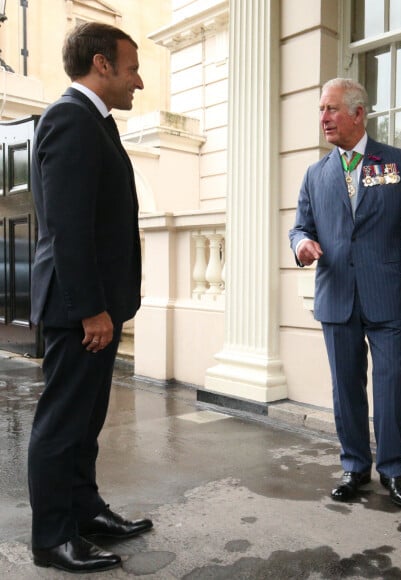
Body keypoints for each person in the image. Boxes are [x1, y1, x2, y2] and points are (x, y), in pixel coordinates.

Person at [27, 22, 152, 573]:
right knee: (61, 424)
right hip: (79, 310)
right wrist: (91, 310)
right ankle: (52, 538)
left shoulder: (95, 123)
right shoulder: (69, 119)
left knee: (85, 421)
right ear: (101, 65)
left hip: (95, 306)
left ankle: (84, 512)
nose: (139, 81)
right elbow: (68, 227)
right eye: (131, 68)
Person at [289, 78, 401, 510]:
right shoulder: (315, 174)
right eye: (321, 110)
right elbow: (301, 226)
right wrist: (300, 244)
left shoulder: (397, 162)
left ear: (358, 114)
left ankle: (393, 471)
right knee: (345, 387)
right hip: (336, 295)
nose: (324, 118)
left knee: (391, 382)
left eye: (332, 109)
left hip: (387, 294)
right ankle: (355, 467)